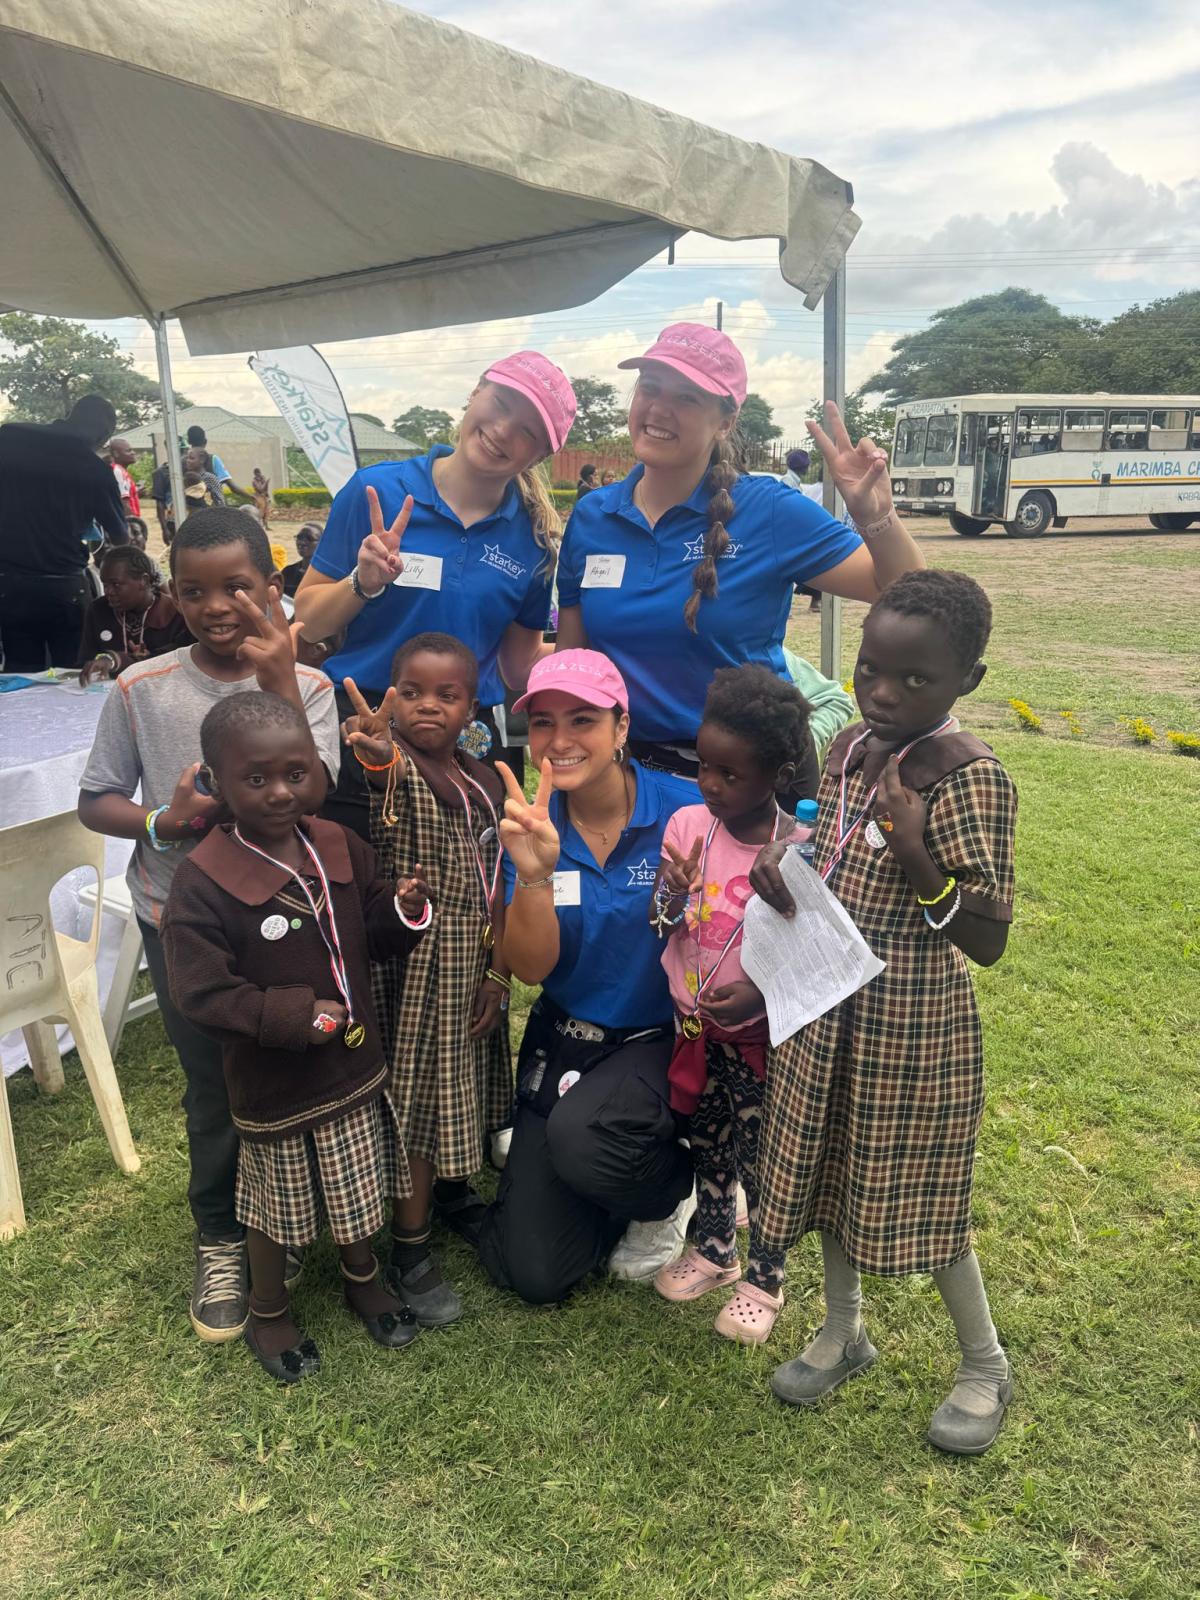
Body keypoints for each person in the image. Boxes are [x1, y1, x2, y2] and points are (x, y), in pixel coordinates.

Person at [746, 570, 1017, 1456]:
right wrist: (784, 875)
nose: (884, 694)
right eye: (869, 672)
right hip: (827, 1011)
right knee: (827, 1171)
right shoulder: (850, 748)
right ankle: (843, 1330)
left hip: (912, 1026)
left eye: (915, 680)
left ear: (965, 681)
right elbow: (826, 858)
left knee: (926, 1197)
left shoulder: (970, 777)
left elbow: (984, 939)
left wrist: (916, 854)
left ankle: (983, 1364)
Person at [78, 507, 340, 1344]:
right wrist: (166, 821)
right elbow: (98, 798)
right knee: (214, 1088)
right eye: (192, 590)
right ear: (172, 595)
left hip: (295, 922)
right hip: (181, 921)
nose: (216, 605)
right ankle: (224, 1235)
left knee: (295, 1071)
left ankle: (291, 1221)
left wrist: (277, 687)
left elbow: (318, 791)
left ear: (272, 586)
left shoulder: (311, 686)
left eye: (236, 585)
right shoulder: (139, 689)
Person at [162, 691, 431, 1382]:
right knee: (274, 1205)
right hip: (276, 1083)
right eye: (256, 779)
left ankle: (362, 1276)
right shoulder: (203, 879)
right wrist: (290, 1016)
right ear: (216, 783)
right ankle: (270, 1309)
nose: (281, 792)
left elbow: (370, 931)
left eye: (297, 772)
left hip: (356, 1066)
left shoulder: (337, 843)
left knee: (359, 1183)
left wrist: (402, 912)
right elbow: (201, 994)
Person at [555, 324, 925, 798]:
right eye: (649, 388)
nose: (659, 409)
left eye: (687, 398)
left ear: (726, 421)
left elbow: (907, 591)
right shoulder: (593, 516)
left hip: (747, 788)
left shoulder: (767, 510)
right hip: (626, 781)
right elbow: (573, 659)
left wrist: (877, 517)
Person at [475, 650, 698, 1304]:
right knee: (535, 1272)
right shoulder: (532, 826)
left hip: (662, 1043)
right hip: (566, 1043)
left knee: (581, 1140)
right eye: (543, 723)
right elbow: (532, 969)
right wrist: (537, 871)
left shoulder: (686, 813)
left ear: (622, 728)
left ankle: (676, 1190)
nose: (560, 741)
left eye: (583, 720)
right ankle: (594, 1164)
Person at [293, 351, 576, 839]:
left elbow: (516, 665)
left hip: (466, 746)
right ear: (475, 394)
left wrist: (598, 646)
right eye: (502, 402)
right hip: (364, 726)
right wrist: (362, 582)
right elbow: (309, 622)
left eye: (529, 431)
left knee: (462, 901)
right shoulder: (376, 492)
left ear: (540, 457)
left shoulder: (533, 540)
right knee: (355, 886)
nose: (505, 430)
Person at [338, 633, 512, 1326]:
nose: (427, 707)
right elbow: (380, 769)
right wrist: (377, 753)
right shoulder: (398, 766)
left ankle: (449, 1193)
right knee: (414, 1105)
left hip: (470, 965)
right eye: (411, 692)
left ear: (473, 706)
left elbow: (501, 873)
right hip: (416, 971)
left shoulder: (484, 777)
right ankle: (409, 1249)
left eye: (447, 695)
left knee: (454, 1091)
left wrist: (498, 970)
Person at [651, 666, 810, 1338]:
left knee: (761, 1157)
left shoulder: (797, 851)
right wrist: (672, 892)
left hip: (760, 1040)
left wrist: (760, 997)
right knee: (707, 1142)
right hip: (694, 1030)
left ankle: (765, 1278)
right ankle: (715, 1248)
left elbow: (811, 961)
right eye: (703, 766)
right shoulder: (689, 825)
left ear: (776, 772)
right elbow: (659, 924)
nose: (710, 784)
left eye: (731, 774)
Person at [0, 394, 128, 671]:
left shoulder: (10, 438)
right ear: (103, 434)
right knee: (72, 673)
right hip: (65, 586)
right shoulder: (94, 469)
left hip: (10, 585)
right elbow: (120, 536)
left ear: (72, 415)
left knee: (19, 673)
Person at [79, 546, 191, 682]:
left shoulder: (175, 612)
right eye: (105, 584)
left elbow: (175, 659)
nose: (108, 591)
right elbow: (86, 659)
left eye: (116, 584)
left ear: (143, 580)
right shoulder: (99, 610)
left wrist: (114, 660)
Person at [186, 425, 254, 501]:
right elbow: (232, 487)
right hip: (213, 510)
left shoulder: (181, 461)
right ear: (205, 442)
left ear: (188, 441)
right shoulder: (213, 460)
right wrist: (252, 497)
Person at [282, 524, 321, 597]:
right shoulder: (287, 572)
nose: (302, 542)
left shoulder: (326, 576)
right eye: (299, 538)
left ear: (322, 542)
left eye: (309, 538)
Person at [108, 437, 142, 519]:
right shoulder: (118, 471)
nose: (133, 453)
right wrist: (133, 523)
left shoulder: (121, 470)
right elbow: (123, 502)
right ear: (116, 454)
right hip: (127, 521)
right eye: (128, 451)